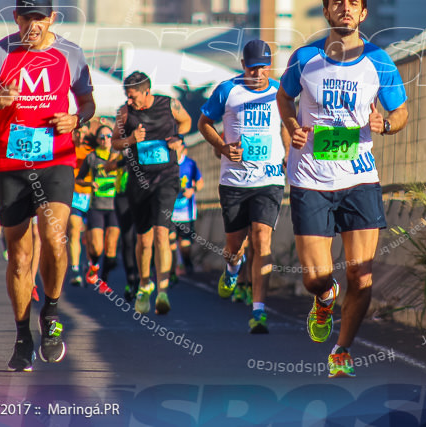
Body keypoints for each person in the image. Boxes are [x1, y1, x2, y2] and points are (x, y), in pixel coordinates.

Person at [276, 0, 409, 377]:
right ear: (327, 10)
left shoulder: (378, 61)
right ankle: (325, 297)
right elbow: (284, 96)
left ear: (363, 13)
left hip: (359, 178)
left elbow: (401, 113)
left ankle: (342, 350)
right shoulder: (304, 58)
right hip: (311, 178)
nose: (346, 8)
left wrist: (384, 124)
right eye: (338, 2)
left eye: (353, 3)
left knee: (361, 274)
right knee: (316, 278)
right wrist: (290, 124)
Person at [0, 0, 95, 372]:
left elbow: (88, 102)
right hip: (10, 163)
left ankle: (51, 315)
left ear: (52, 18)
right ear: (16, 18)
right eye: (26, 18)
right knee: (20, 257)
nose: (32, 26)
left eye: (40, 18)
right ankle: (23, 334)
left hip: (55, 157)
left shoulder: (71, 54)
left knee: (55, 236)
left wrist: (77, 118)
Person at [199, 39, 289, 334]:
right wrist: (223, 147)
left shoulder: (279, 91)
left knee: (262, 239)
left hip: (270, 179)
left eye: (264, 67)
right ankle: (232, 269)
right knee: (234, 246)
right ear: (243, 66)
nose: (259, 73)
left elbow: (286, 126)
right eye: (253, 67)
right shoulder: (228, 90)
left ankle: (259, 311)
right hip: (235, 182)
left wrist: (289, 156)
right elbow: (203, 123)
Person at [107, 71, 191, 316]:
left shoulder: (169, 105)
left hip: (166, 178)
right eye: (127, 97)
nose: (130, 101)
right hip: (139, 181)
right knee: (143, 239)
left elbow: (186, 121)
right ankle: (145, 284)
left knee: (162, 234)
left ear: (147, 91)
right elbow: (114, 142)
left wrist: (179, 138)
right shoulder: (125, 113)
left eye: (133, 97)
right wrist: (131, 139)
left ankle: (162, 290)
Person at [77, 125, 121, 295]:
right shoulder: (92, 157)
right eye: (102, 137)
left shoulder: (119, 156)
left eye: (108, 136)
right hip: (96, 206)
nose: (105, 139)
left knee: (111, 249)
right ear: (97, 140)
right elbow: (79, 179)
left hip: (114, 206)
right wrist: (90, 183)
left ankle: (104, 280)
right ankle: (93, 265)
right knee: (96, 247)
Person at [169, 134, 202, 281]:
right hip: (169, 212)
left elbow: (200, 182)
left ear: (182, 146)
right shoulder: (166, 164)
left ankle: (186, 261)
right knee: (170, 241)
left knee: (185, 244)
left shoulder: (190, 164)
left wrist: (192, 190)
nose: (174, 145)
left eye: (176, 142)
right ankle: (174, 269)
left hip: (186, 212)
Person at [69, 123, 93, 286]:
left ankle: (92, 266)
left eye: (84, 133)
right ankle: (76, 270)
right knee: (74, 232)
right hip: (74, 195)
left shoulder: (92, 150)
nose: (80, 136)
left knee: (92, 237)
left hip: (91, 195)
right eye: (77, 132)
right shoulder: (67, 149)